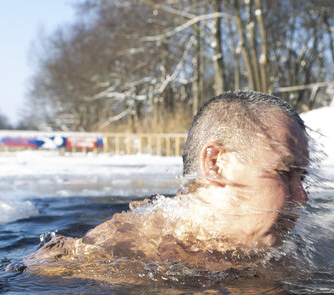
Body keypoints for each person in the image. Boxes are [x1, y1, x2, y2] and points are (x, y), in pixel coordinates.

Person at [25, 91, 311, 278]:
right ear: (216, 163)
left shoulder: (285, 256)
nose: (302, 196)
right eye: (285, 172)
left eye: (303, 177)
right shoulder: (120, 251)